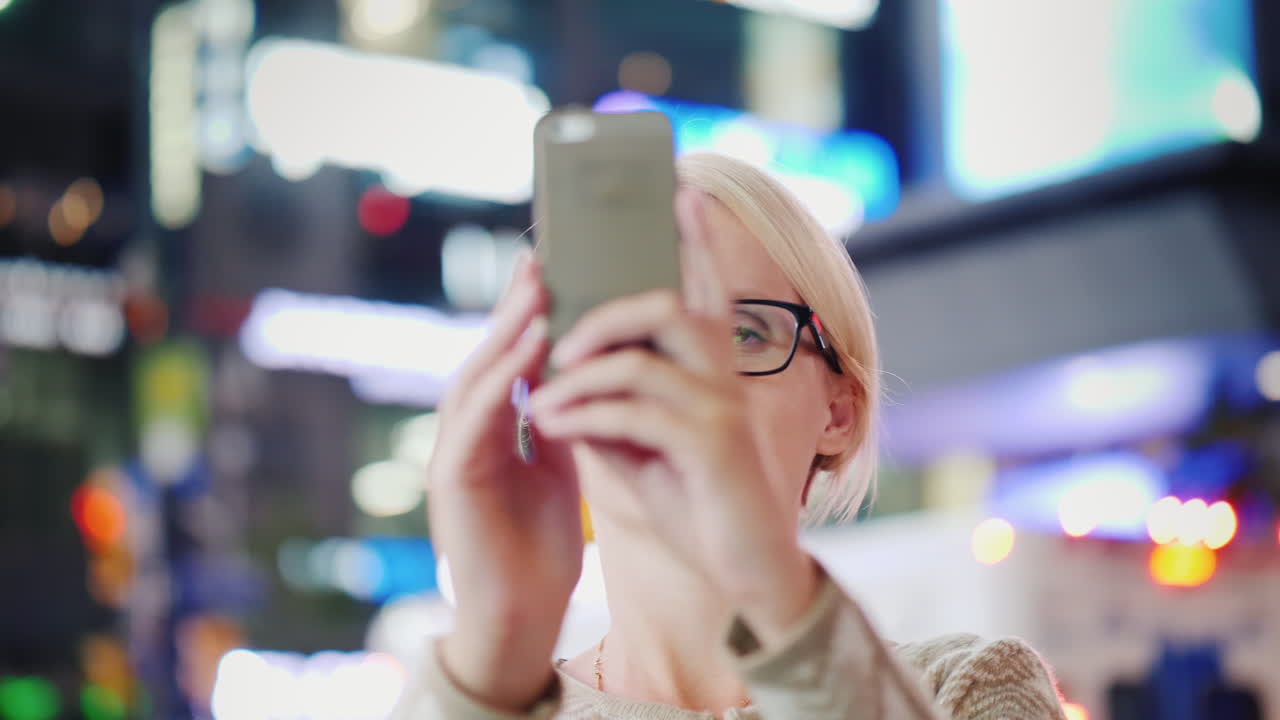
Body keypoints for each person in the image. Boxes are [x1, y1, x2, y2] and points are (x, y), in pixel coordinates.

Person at [396, 153, 1066, 719]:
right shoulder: (482, 695)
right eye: (621, 339)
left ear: (839, 413)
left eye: (742, 331)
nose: (676, 378)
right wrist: (494, 657)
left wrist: (770, 583)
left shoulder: (964, 690)